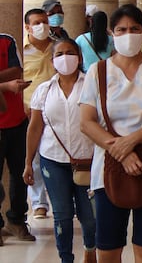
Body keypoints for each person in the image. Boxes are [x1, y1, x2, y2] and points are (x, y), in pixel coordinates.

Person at [78, 4, 142, 263]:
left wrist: (131, 141)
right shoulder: (99, 71)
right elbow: (86, 122)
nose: (128, 34)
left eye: (134, 29)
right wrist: (121, 152)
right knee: (109, 248)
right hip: (108, 167)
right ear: (112, 33)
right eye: (121, 29)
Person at [23, 38, 96, 263]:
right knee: (62, 214)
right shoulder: (44, 91)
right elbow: (35, 128)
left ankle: (90, 248)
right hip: (52, 159)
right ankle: (66, 258)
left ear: (79, 57)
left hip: (87, 159)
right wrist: (28, 162)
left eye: (70, 52)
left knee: (89, 215)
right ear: (53, 61)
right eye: (60, 54)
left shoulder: (91, 86)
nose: (66, 58)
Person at [0, 33, 35, 245]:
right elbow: (10, 77)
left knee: (20, 175)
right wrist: (5, 85)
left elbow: (16, 70)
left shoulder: (7, 40)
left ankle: (16, 221)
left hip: (16, 122)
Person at [23, 8, 55, 219]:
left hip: (54, 108)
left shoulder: (58, 48)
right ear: (27, 27)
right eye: (37, 22)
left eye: (44, 21)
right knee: (33, 156)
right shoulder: (22, 50)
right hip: (29, 110)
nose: (42, 25)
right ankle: (38, 203)